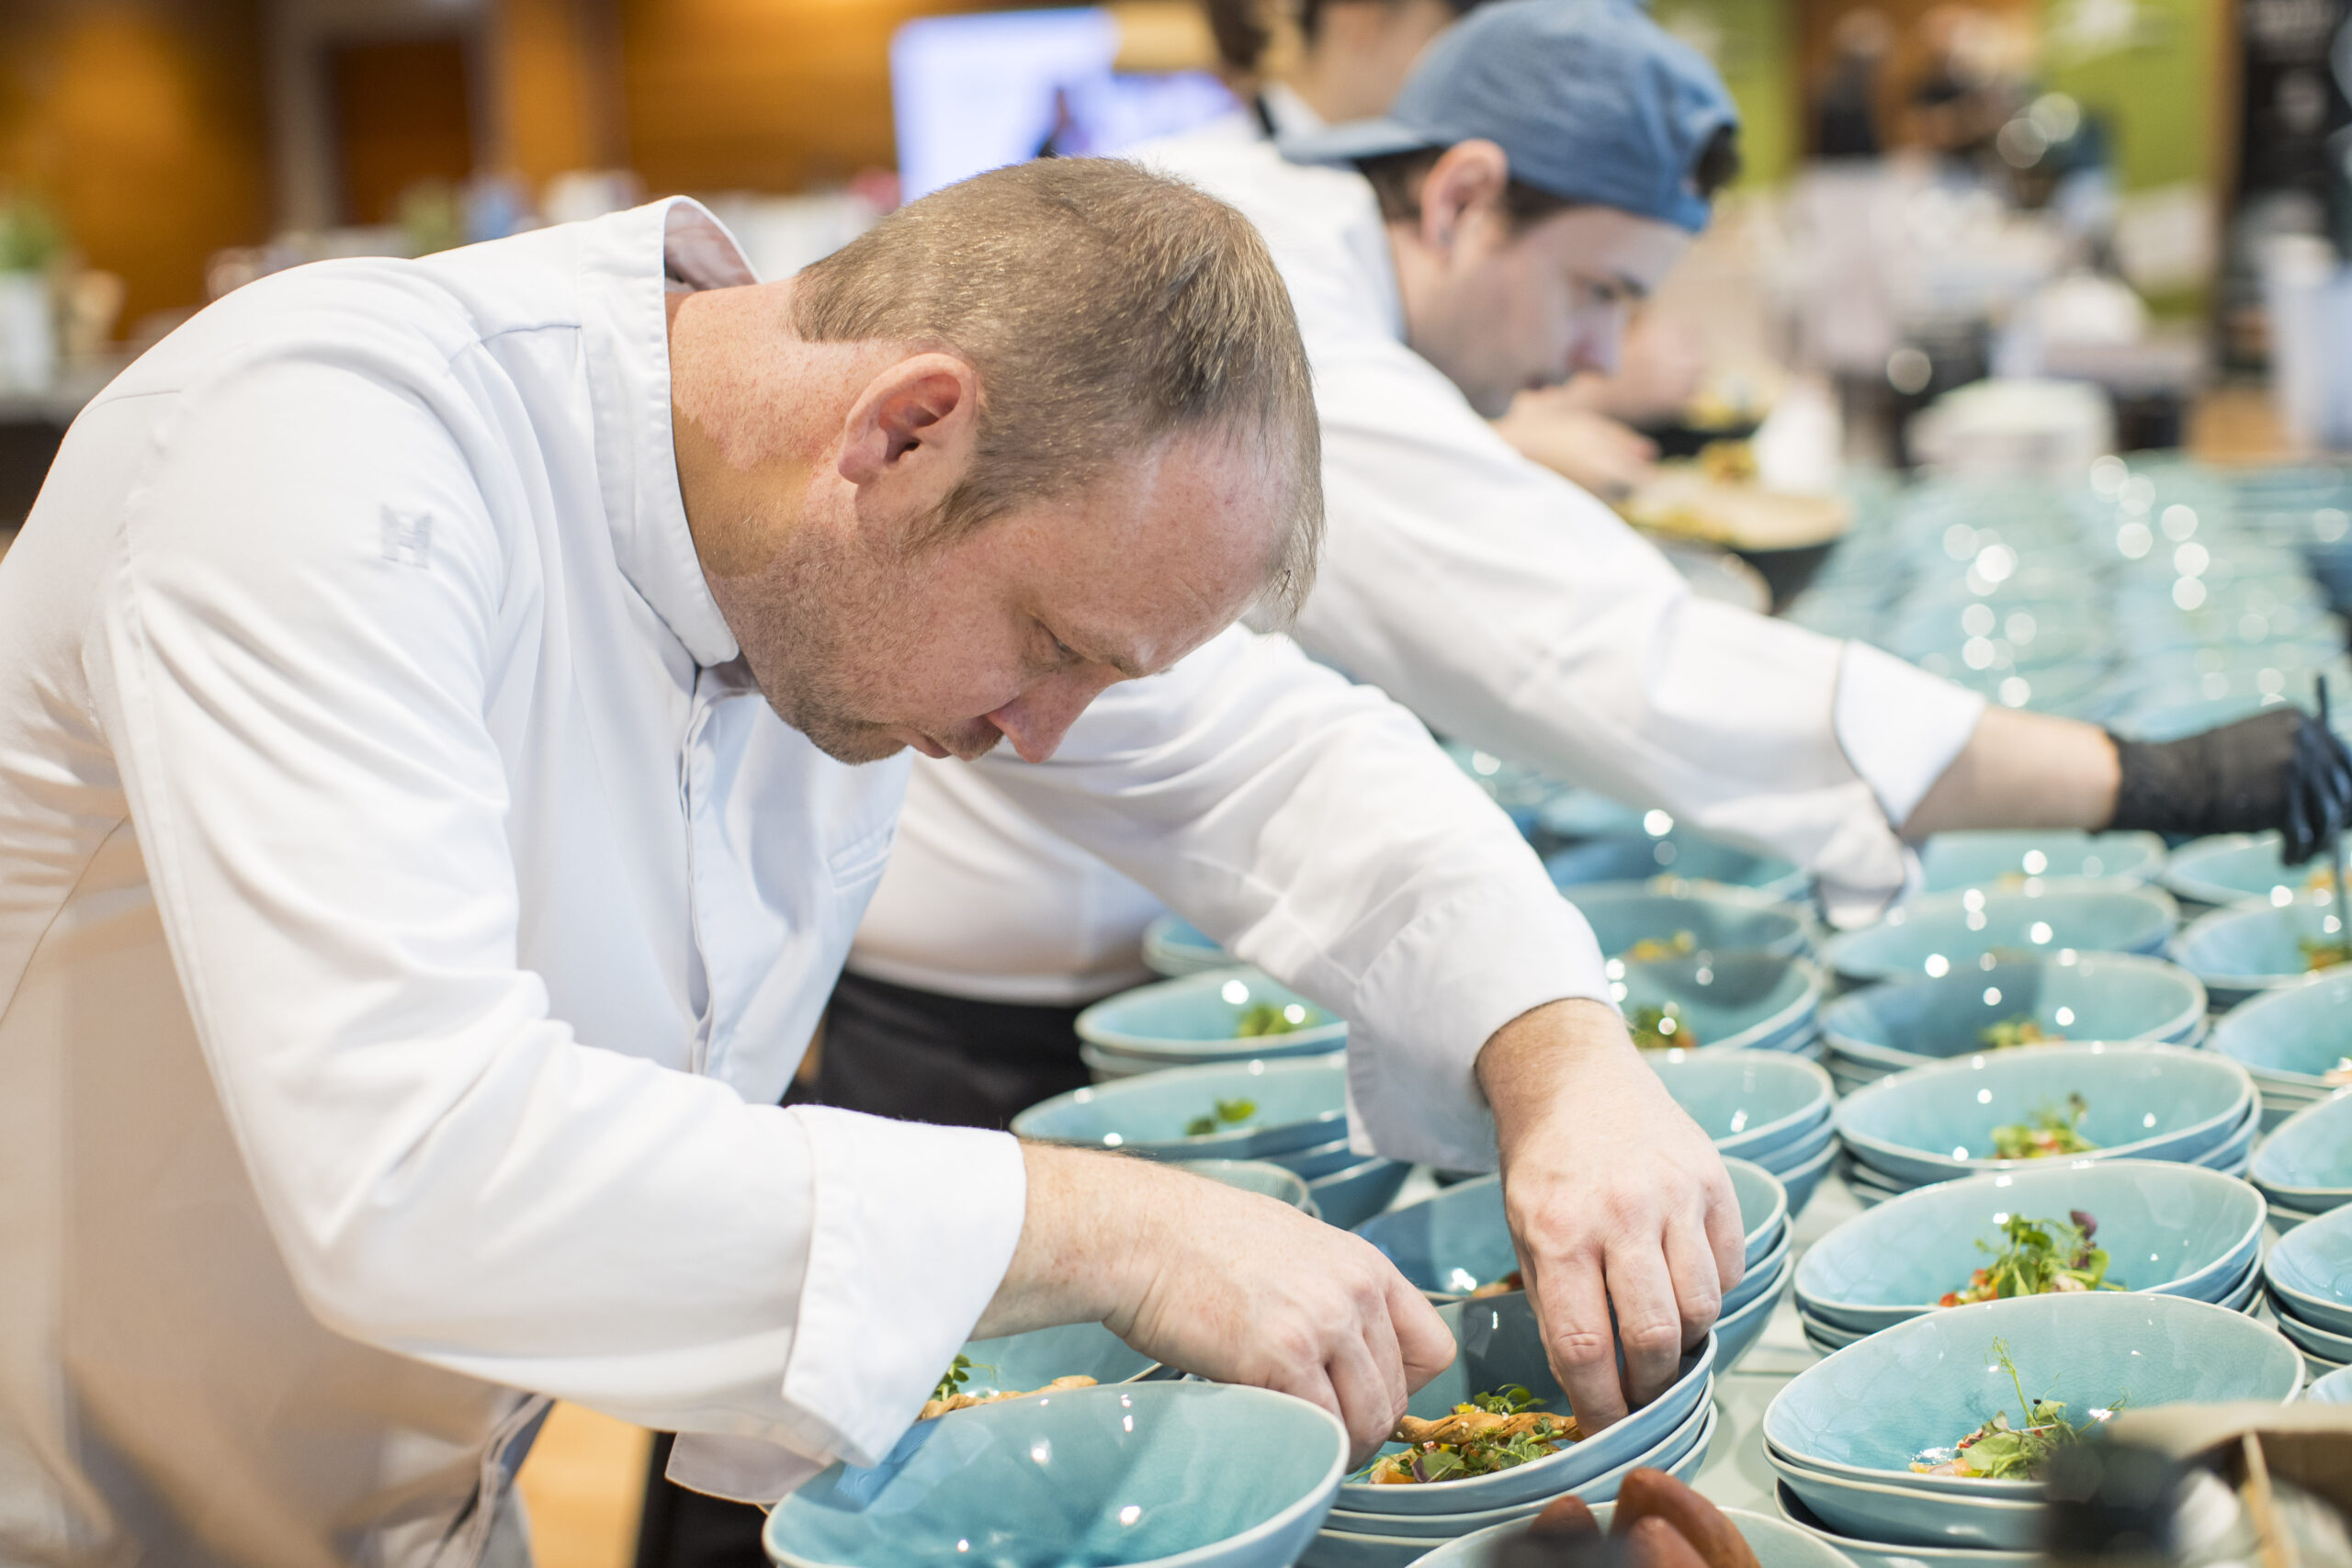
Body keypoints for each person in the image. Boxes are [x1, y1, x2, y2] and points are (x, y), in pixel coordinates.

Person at [0, 159, 1747, 1565]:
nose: (1048, 735)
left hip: (434, 1501)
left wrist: (1565, 1060)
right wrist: (1109, 1228)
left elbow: (1284, 761)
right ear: (904, 432)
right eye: (1050, 643)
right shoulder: (329, 442)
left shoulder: (863, 529)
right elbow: (415, 1162)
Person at [830, 1, 2352, 1178]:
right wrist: (2156, 775)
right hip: (980, 1010)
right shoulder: (1273, 332)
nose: (1599, 355)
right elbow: (1624, 668)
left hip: (1095, 925)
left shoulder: (1288, 230)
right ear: (1463, 198)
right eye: (1598, 291)